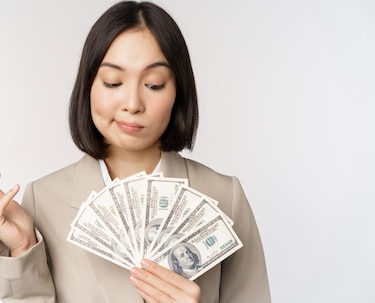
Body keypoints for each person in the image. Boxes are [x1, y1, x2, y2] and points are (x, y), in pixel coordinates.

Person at [0, 1, 271, 302]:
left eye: (154, 85)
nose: (132, 103)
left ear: (178, 91)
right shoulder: (43, 199)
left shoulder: (225, 197)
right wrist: (23, 248)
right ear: (88, 85)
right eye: (112, 82)